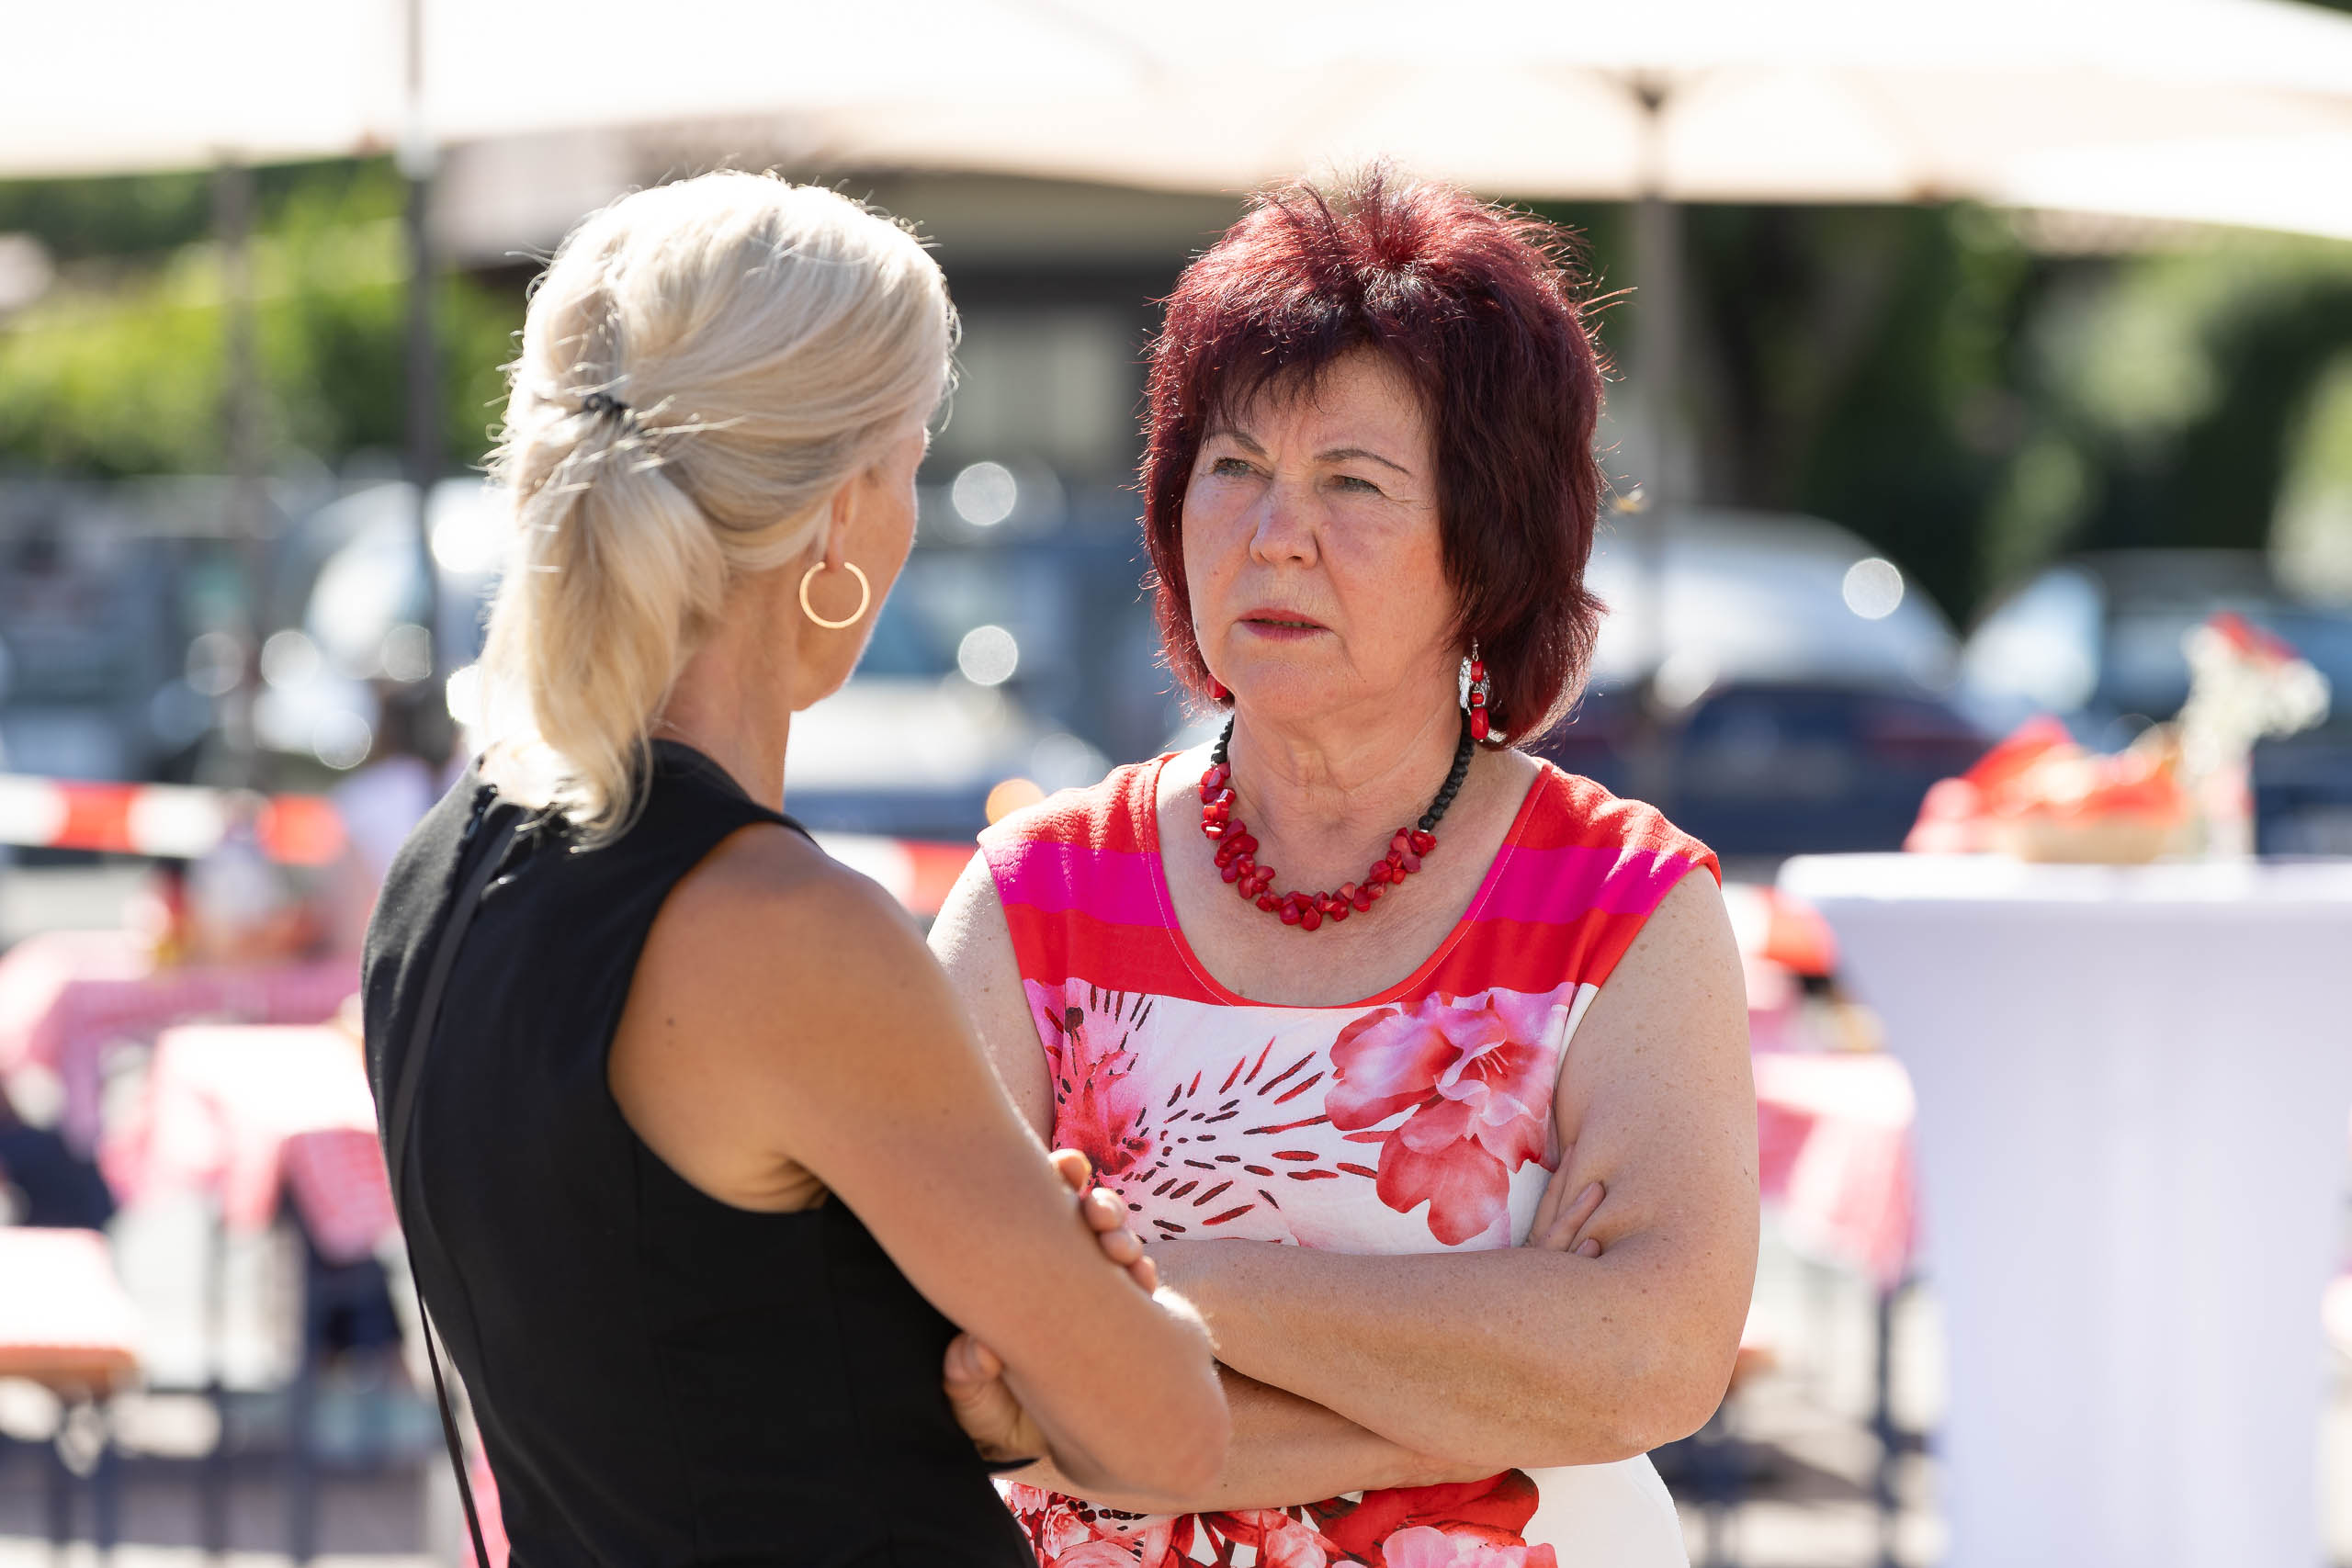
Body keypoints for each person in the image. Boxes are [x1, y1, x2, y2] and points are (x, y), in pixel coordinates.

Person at [361, 173, 1226, 1567]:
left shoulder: (435, 877)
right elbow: (1169, 1433)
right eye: (910, 467)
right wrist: (1110, 1329)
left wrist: (969, 1380)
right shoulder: (781, 934)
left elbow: (694, 1358)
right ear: (839, 516)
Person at [932, 168, 1756, 1564]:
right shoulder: (1034, 898)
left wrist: (1169, 1294)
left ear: (1486, 549)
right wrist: (1495, 1384)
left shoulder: (1625, 907)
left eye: (1352, 483)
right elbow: (950, 1375)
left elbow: (1652, 1363)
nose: (1272, 534)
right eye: (1234, 467)